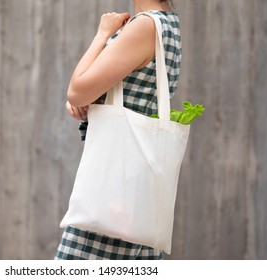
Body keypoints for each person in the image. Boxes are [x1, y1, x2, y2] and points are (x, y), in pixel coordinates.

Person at [55, 0, 181, 260]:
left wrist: (103, 34)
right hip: (139, 189)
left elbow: (77, 90)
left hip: (113, 188)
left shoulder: (144, 25)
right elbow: (133, 93)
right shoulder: (169, 23)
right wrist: (90, 100)